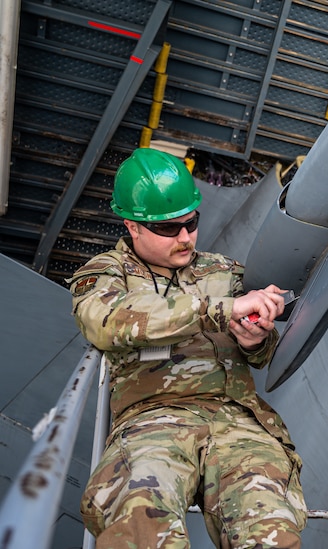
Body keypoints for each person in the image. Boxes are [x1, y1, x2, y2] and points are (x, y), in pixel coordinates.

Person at [68, 148, 306, 548]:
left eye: (192, 223)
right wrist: (220, 310)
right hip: (153, 421)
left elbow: (264, 354)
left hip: (238, 422)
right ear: (133, 227)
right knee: (142, 516)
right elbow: (108, 322)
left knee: (268, 527)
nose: (185, 237)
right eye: (168, 228)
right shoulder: (106, 274)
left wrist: (257, 338)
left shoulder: (225, 273)